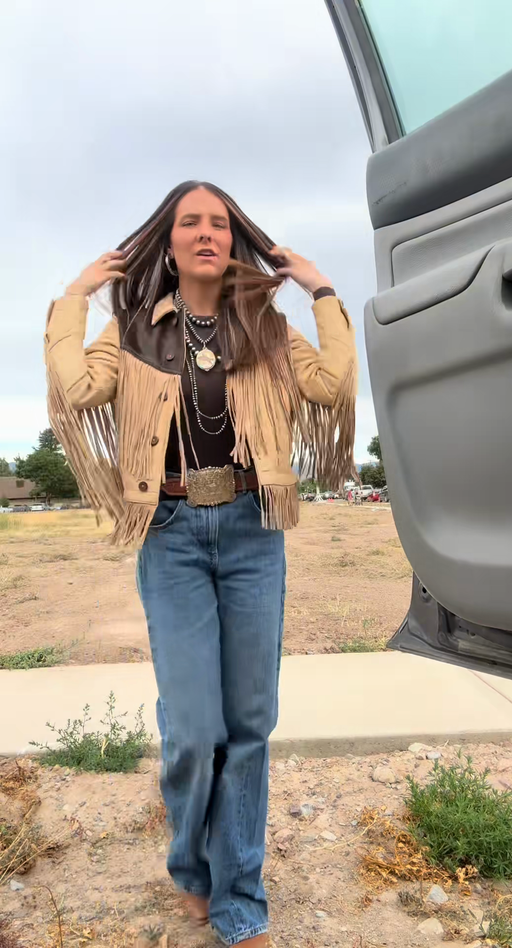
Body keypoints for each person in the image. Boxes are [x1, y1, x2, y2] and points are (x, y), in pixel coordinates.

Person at [44, 181, 357, 947]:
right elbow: (76, 387)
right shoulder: (129, 330)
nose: (207, 233)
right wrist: (74, 297)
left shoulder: (269, 329)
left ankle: (238, 894)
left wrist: (322, 289)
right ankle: (191, 868)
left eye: (219, 222)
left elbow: (333, 385)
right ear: (169, 240)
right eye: (191, 222)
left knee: (249, 726)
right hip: (173, 530)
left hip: (254, 528)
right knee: (193, 728)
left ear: (235, 239)